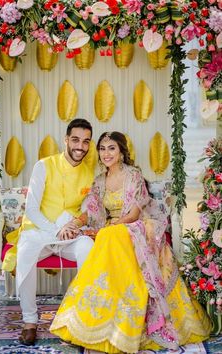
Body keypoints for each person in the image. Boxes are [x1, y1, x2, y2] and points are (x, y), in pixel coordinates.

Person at [50, 131, 211, 354]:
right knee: (105, 239)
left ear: (122, 152)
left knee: (108, 236)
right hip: (113, 232)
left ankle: (123, 326)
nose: (106, 153)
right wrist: (74, 224)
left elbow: (135, 213)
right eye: (102, 149)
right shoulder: (99, 181)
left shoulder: (133, 175)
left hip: (137, 227)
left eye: (111, 148)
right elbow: (90, 211)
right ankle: (87, 325)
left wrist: (112, 227)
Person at [3, 118, 96, 346]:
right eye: (75, 139)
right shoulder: (43, 165)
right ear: (66, 140)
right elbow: (32, 210)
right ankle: (30, 321)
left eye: (85, 142)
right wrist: (57, 229)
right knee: (25, 254)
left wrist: (73, 226)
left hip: (69, 236)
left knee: (88, 248)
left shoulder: (89, 174)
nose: (80, 147)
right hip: (39, 232)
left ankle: (80, 317)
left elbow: (85, 210)